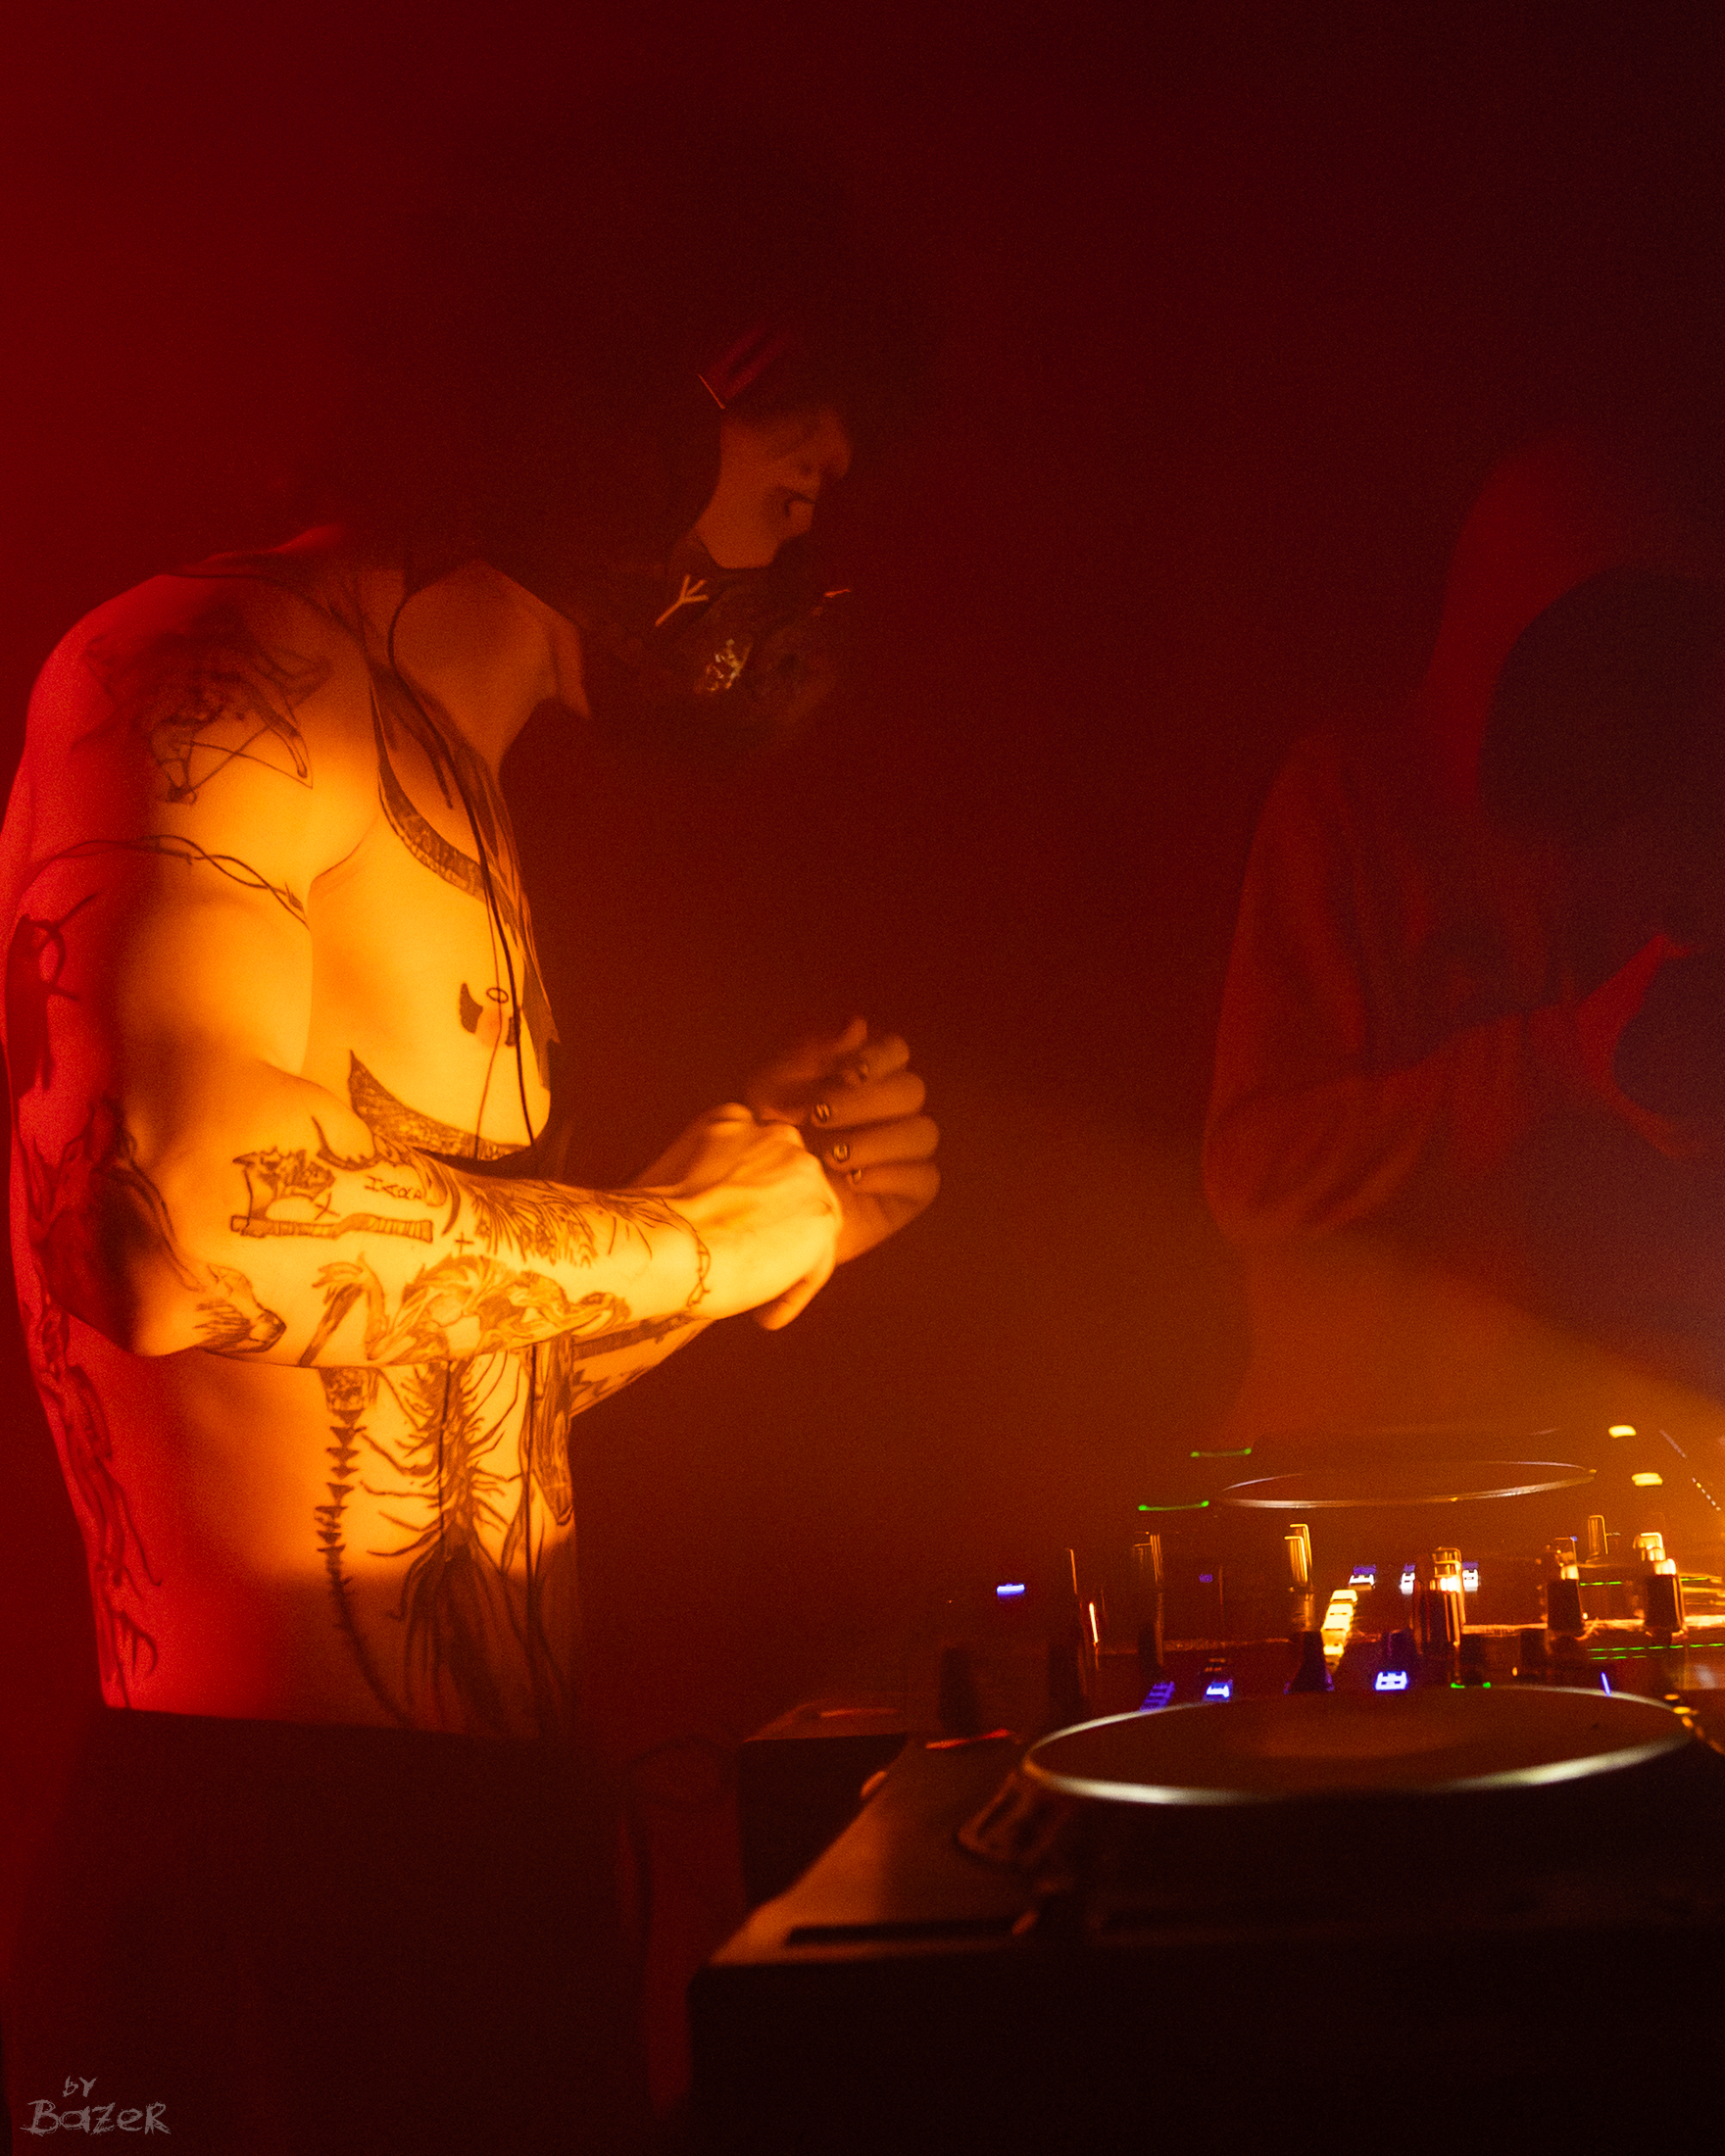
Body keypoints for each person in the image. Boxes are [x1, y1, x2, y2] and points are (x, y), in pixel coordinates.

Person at [0, 123, 938, 2152]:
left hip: (476, 1857)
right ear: (619, 380)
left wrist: (751, 1224)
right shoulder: (210, 668)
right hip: (271, 1878)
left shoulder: (457, 769)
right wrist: (693, 1240)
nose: (832, 466)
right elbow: (164, 1225)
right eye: (795, 398)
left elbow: (391, 1382)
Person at [1202, 433, 1725, 1544]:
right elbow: (1254, 1173)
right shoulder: (1350, 800)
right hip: (1363, 1479)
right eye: (1582, 650)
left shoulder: (1655, 824)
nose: (1607, 695)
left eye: (1643, 657)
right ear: (1504, 634)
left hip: (1597, 1474)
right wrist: (1553, 1059)